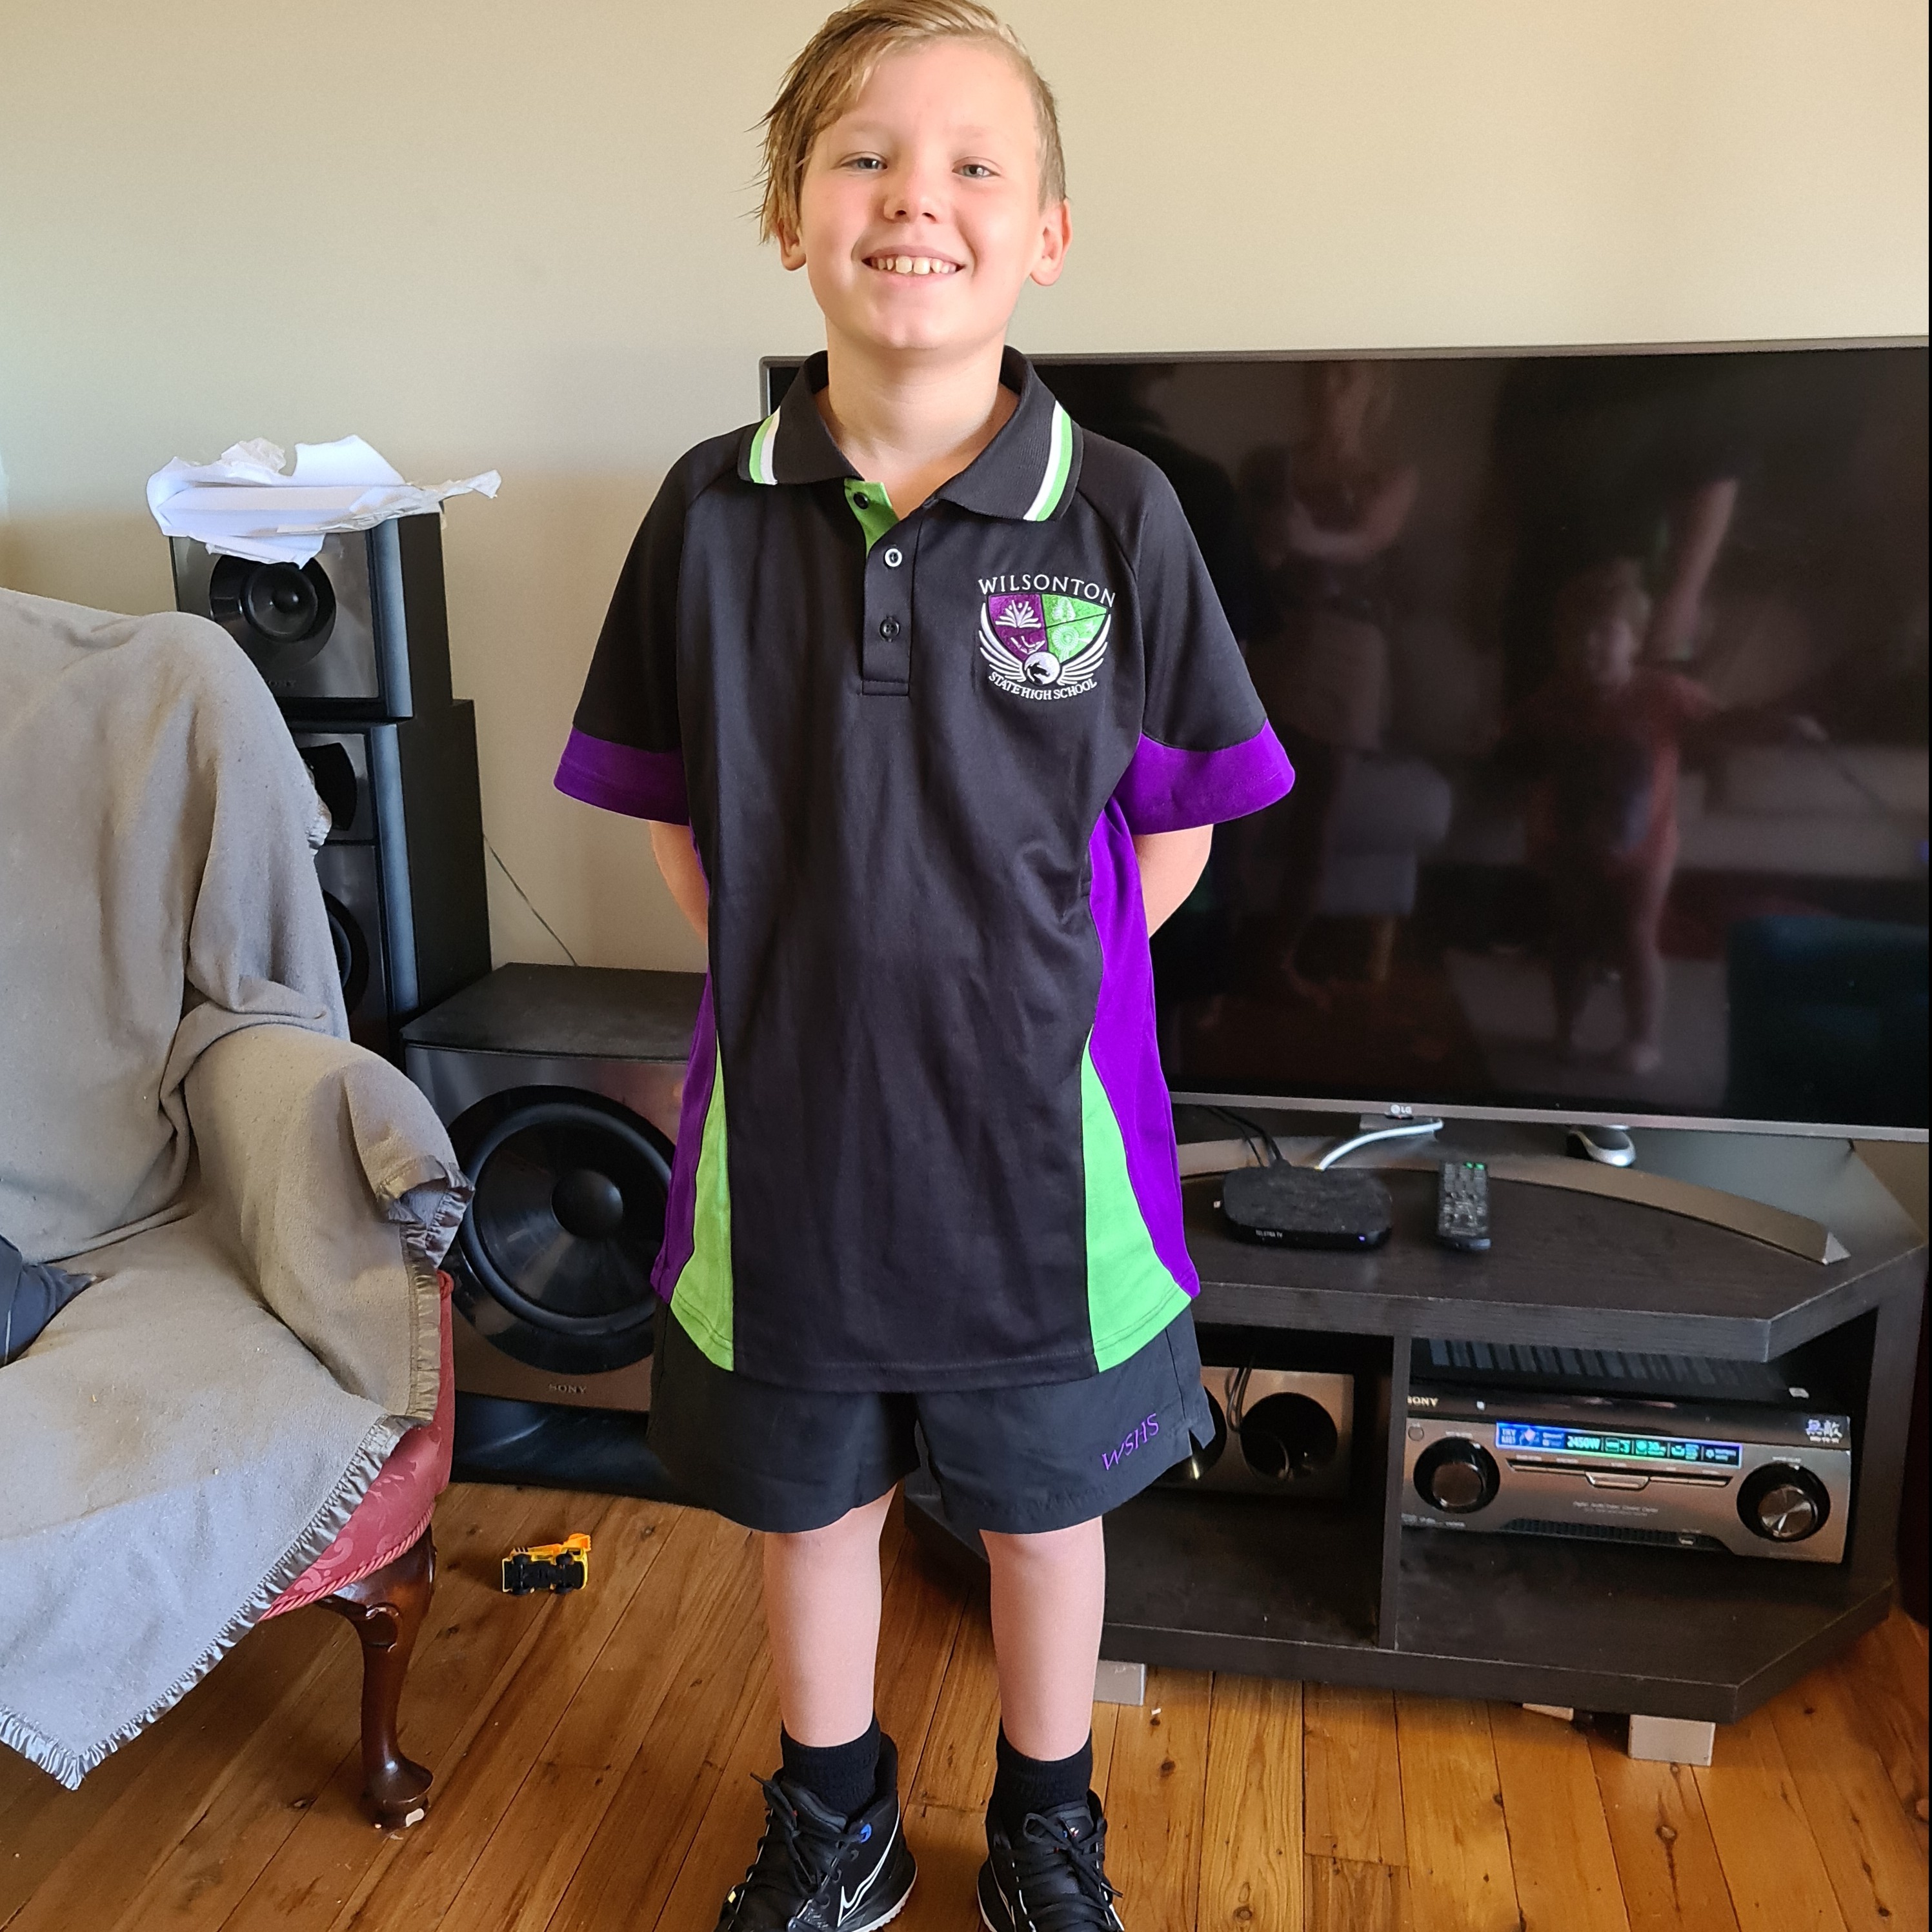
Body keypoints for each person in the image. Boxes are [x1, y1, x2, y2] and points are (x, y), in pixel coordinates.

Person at [552, 6, 1292, 1927]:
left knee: (1045, 1518)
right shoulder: (704, 510)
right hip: (788, 1150)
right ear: (788, 210)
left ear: (1045, 232)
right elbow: (674, 816)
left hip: (1042, 1167)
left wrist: (1013, 983)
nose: (916, 199)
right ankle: (836, 1820)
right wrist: (817, 968)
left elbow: (1178, 825)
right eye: (864, 156)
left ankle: (1044, 1825)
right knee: (812, 1510)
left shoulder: (1117, 512)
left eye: (974, 164)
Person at [1238, 360, 1417, 1001]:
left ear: (1374, 391)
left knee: (1321, 818)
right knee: (1245, 810)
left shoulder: (1389, 477)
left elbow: (1368, 540)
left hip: (1352, 645)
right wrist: (1272, 548)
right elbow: (1244, 559)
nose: (1327, 389)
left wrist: (1307, 539)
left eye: (1345, 377)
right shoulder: (1269, 466)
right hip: (1281, 634)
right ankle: (1215, 971)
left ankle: (1279, 960)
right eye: (1320, 376)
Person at [1504, 561, 1716, 1074]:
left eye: (1605, 633)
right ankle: (1566, 1029)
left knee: (1637, 938)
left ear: (1636, 640)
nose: (1588, 645)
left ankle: (1643, 1039)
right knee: (1570, 939)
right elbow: (1518, 735)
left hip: (1646, 850)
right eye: (1576, 635)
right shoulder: (1555, 699)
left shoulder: (1663, 693)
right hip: (1573, 843)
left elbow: (1723, 720)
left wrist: (1773, 723)